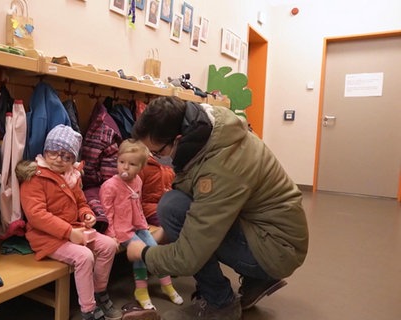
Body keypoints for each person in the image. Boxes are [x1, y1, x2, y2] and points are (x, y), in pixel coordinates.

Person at [125, 97, 309, 320]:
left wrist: (144, 253)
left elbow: (189, 256)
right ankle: (259, 280)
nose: (155, 158)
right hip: (276, 234)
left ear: (179, 139)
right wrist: (165, 232)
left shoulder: (220, 167)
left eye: (157, 152)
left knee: (172, 207)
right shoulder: (214, 130)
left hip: (277, 248)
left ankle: (220, 303)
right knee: (175, 206)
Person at [16, 124, 122, 320]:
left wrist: (86, 214)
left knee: (108, 245)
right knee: (84, 257)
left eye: (66, 156)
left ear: (73, 159)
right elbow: (36, 215)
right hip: (46, 237)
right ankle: (88, 310)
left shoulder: (70, 176)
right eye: (54, 152)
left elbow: (82, 202)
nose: (59, 159)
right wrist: (68, 232)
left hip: (73, 230)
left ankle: (99, 292)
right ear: (45, 151)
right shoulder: (34, 178)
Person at [100, 139, 183, 311]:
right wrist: (112, 235)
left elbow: (137, 205)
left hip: (138, 225)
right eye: (121, 162)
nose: (125, 167)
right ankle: (141, 290)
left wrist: (143, 225)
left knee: (153, 250)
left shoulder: (137, 181)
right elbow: (107, 212)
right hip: (121, 230)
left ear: (141, 167)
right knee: (139, 254)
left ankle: (166, 285)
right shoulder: (110, 186)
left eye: (132, 164)